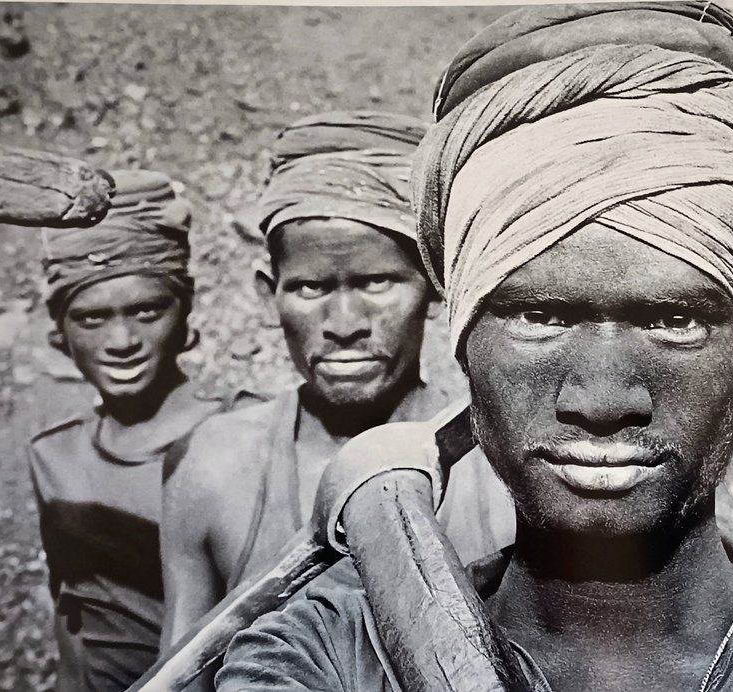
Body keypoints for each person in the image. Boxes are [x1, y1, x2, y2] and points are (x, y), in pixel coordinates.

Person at [216, 4, 733, 691]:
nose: (600, 400)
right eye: (539, 317)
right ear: (461, 342)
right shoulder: (328, 658)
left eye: (673, 321)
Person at [159, 111, 513, 669]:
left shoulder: (499, 473)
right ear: (267, 292)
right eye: (310, 286)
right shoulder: (216, 466)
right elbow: (181, 674)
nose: (344, 322)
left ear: (437, 284)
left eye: (377, 282)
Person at [28, 169, 227, 691]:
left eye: (147, 311)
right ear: (60, 333)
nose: (122, 340)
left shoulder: (243, 436)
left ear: (184, 313)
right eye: (91, 319)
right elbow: (73, 614)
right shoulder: (55, 456)